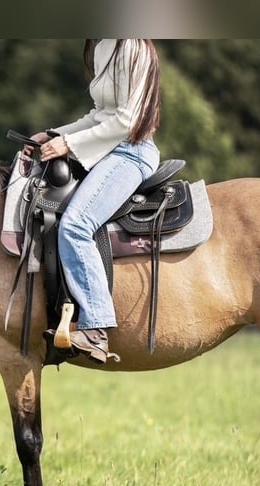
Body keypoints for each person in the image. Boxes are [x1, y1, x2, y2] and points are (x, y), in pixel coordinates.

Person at [24, 39, 161, 363]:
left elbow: (126, 121)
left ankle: (96, 327)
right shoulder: (102, 46)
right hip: (104, 151)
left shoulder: (132, 47)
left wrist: (68, 144)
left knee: (75, 224)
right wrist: (53, 134)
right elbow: (100, 115)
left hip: (132, 152)